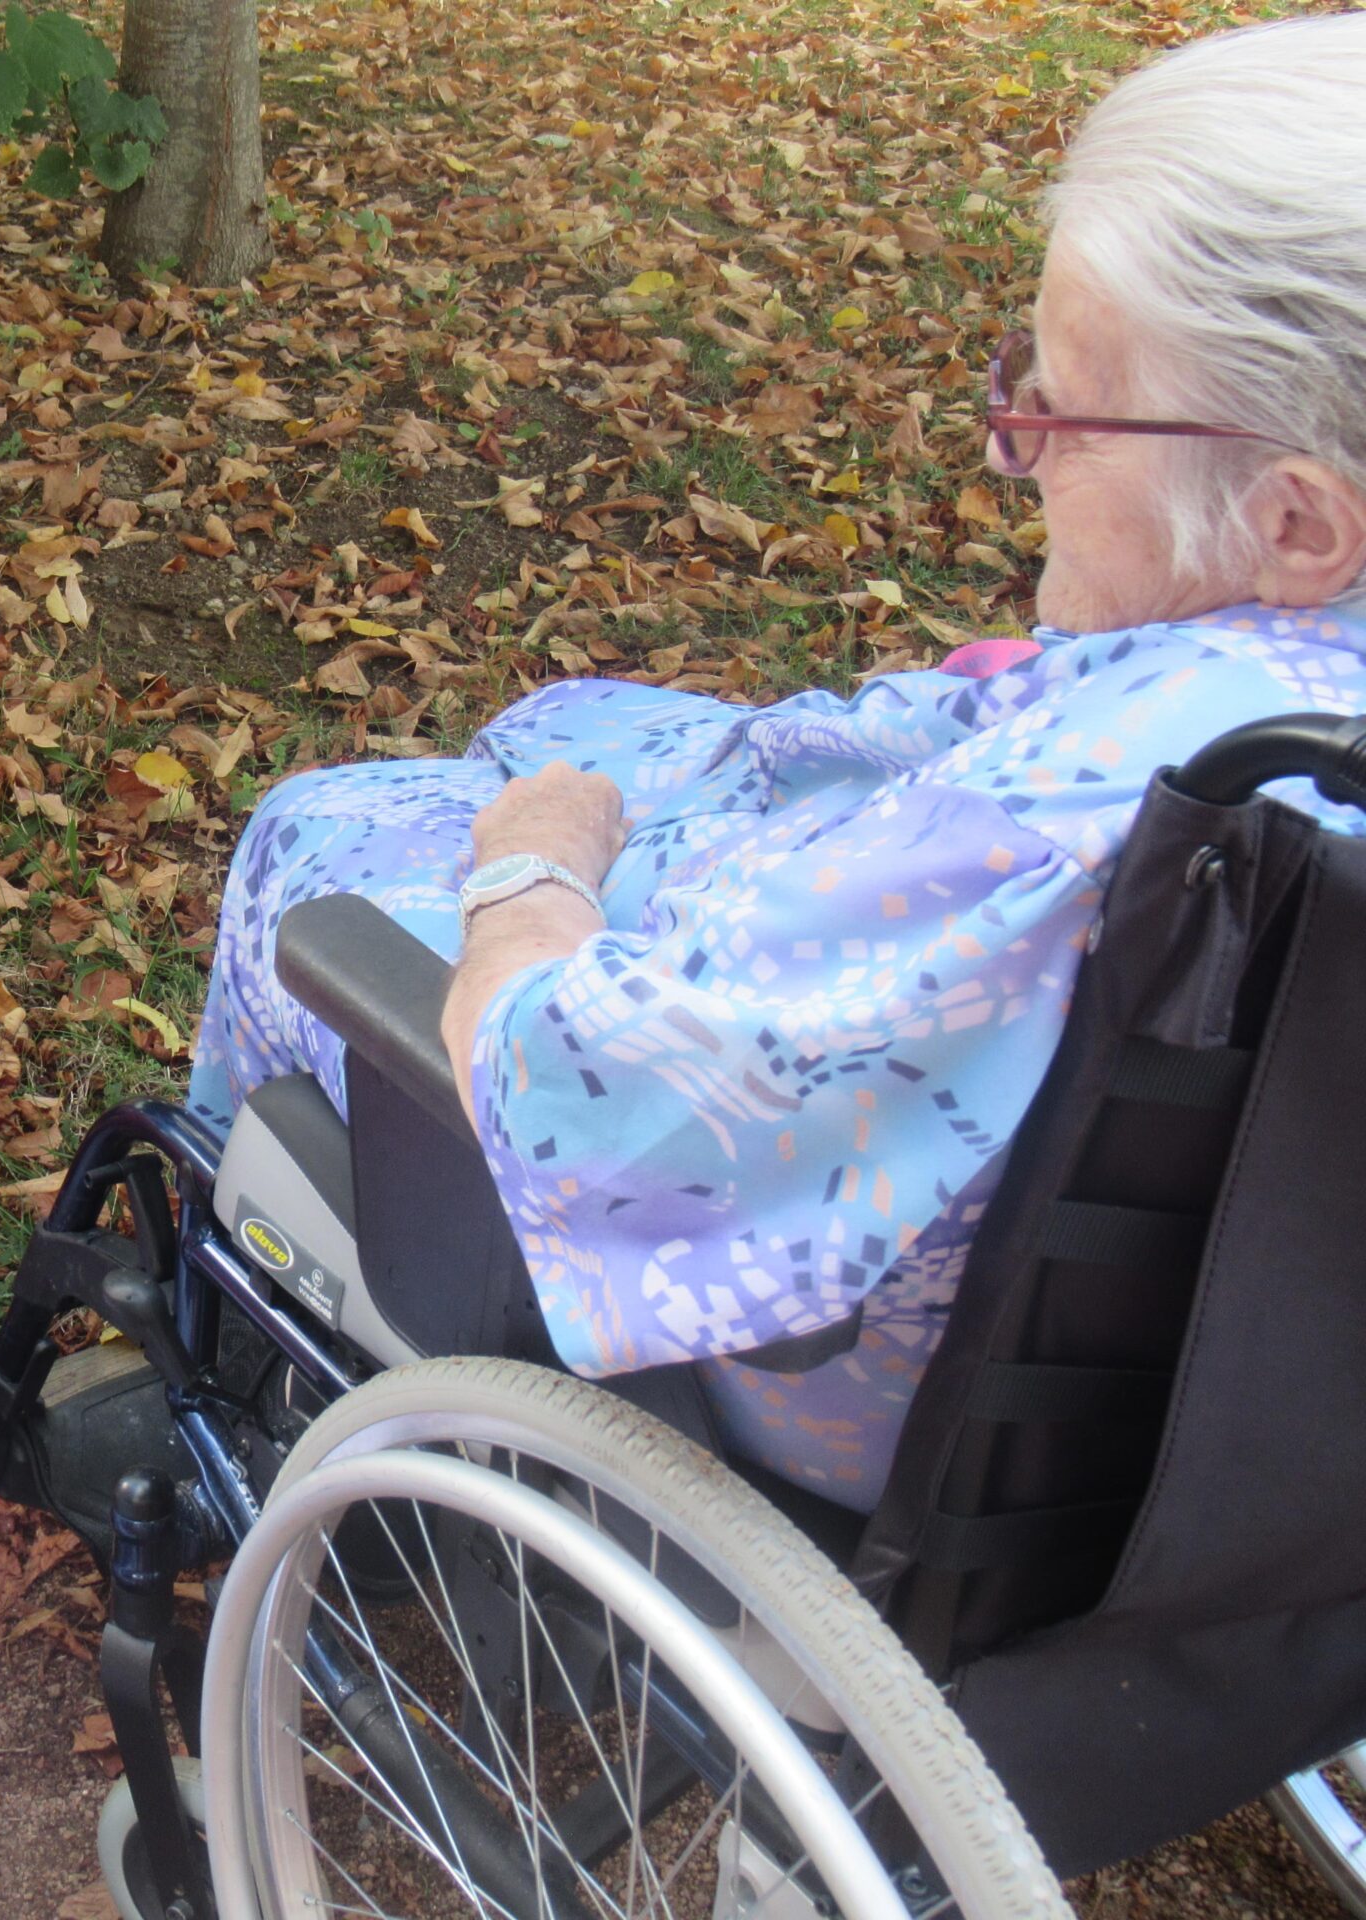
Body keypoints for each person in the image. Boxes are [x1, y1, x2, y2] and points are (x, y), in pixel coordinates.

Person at [189, 13, 1366, 1513]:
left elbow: (595, 1100)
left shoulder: (1075, 835)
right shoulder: (1286, 721)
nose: (1009, 444)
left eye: (1064, 414)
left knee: (313, 839)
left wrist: (531, 870)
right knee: (571, 715)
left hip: (870, 1383)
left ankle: (257, 1333)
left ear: (1296, 520)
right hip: (1237, 1384)